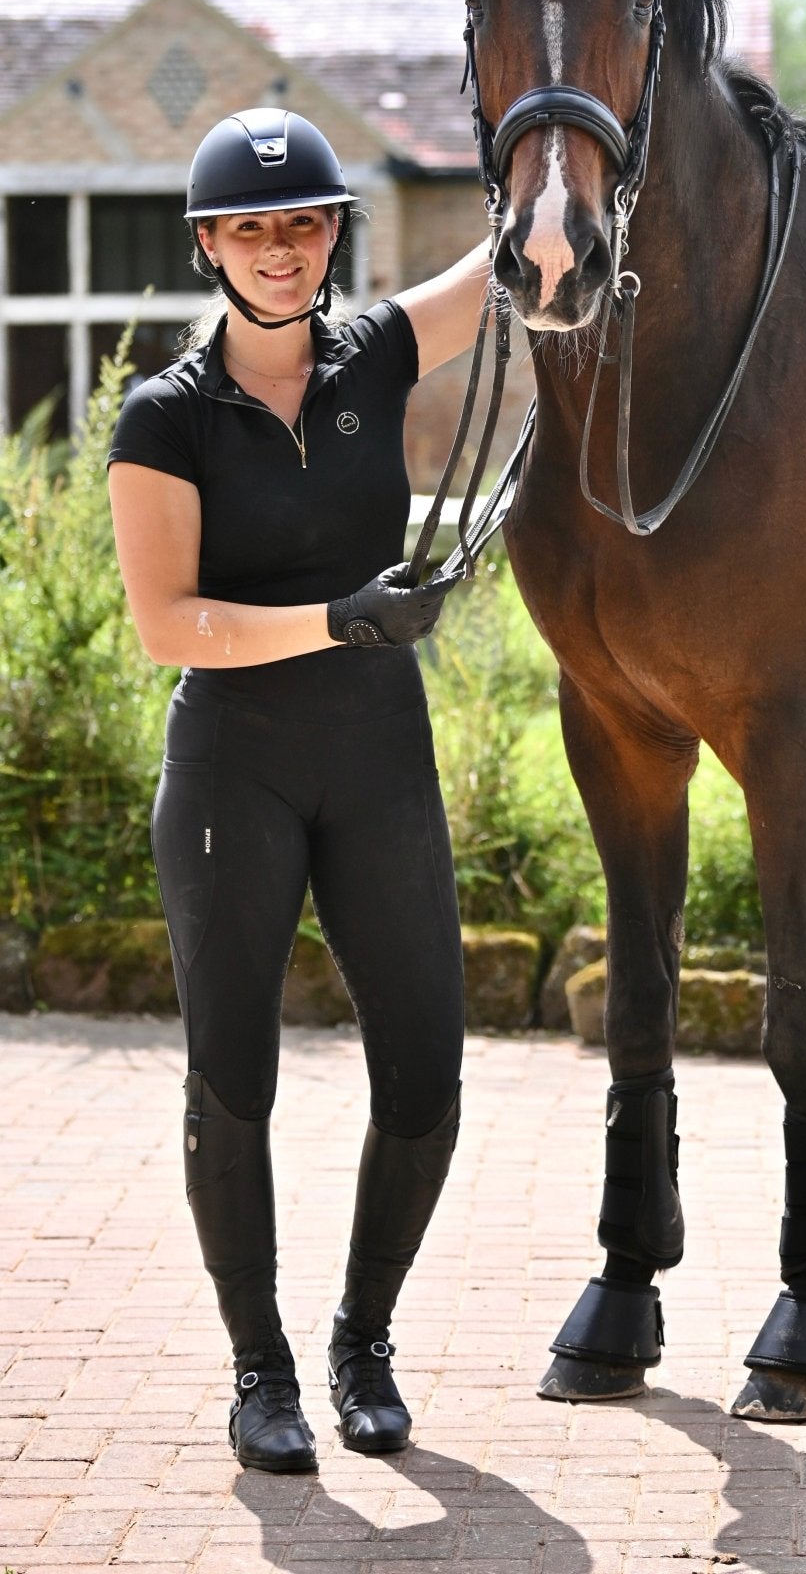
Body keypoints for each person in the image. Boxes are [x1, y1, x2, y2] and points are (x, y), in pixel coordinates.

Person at [107, 108, 493, 1473]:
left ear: (337, 234)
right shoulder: (165, 415)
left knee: (430, 1076)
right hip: (236, 767)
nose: (281, 247)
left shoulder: (375, 353)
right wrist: (343, 618)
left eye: (306, 221)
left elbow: (521, 261)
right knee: (235, 1077)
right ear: (210, 244)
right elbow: (169, 623)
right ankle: (259, 1369)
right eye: (253, 227)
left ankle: (361, 1338)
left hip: (379, 757)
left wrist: (583, 141)